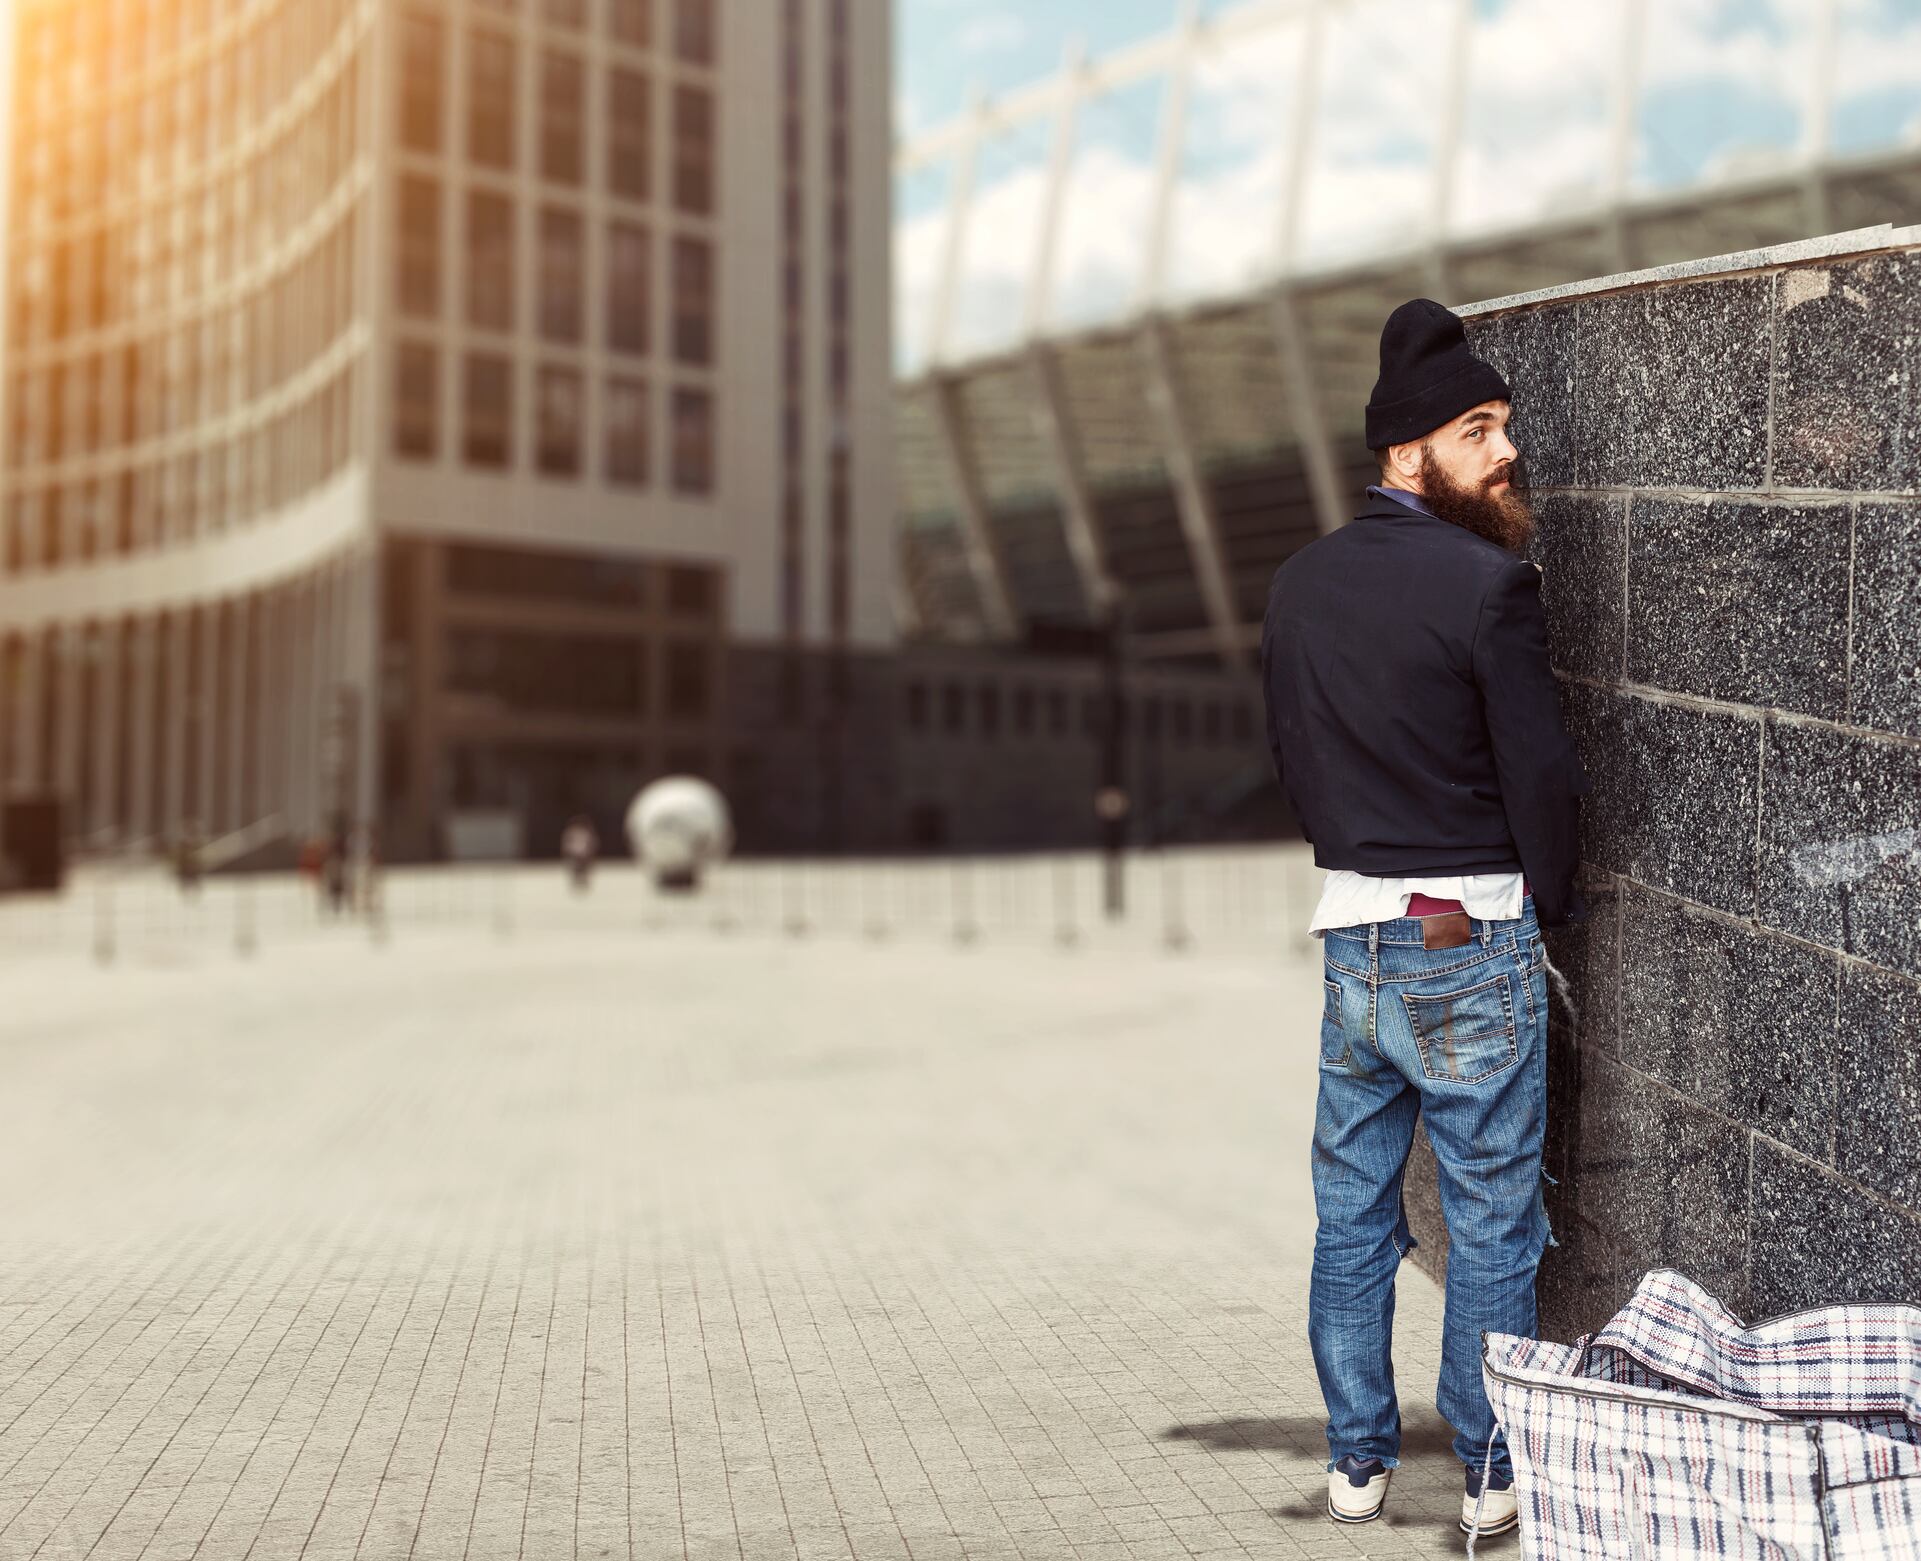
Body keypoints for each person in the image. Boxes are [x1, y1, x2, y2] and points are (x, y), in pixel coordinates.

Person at [1260, 298, 1587, 1535]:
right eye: (1476, 430)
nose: (1505, 450)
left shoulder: (1298, 583)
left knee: (1352, 1212)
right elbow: (1540, 773)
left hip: (1352, 941)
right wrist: (1548, 903)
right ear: (1407, 452)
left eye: (1501, 424)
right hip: (1469, 937)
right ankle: (1490, 1467)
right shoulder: (1490, 584)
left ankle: (1357, 1462)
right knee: (1492, 1214)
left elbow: (1292, 757)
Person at [561, 814, 599, 892]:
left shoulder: (585, 833)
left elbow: (593, 843)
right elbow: (566, 844)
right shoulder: (571, 833)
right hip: (576, 855)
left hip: (583, 856)